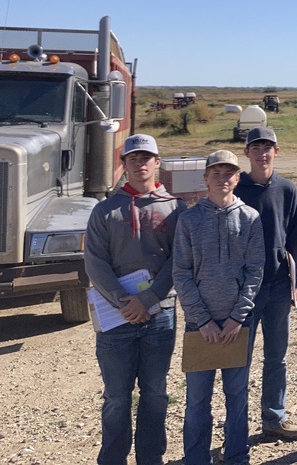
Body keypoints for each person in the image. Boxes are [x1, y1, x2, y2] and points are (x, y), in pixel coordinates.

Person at [84, 133, 184, 465]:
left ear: (157, 162)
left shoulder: (175, 208)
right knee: (116, 397)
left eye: (146, 158)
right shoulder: (104, 211)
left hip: (161, 315)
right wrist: (124, 302)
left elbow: (178, 260)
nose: (140, 164)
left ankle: (151, 457)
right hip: (116, 319)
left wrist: (150, 298)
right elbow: (95, 263)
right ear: (124, 165)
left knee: (155, 393)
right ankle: (113, 458)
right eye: (133, 159)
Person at [173, 149, 266, 465]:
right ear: (205, 179)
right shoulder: (189, 220)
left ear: (238, 178)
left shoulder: (250, 218)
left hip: (236, 327)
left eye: (229, 173)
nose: (223, 178)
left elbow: (256, 270)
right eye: (216, 173)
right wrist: (203, 319)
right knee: (197, 399)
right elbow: (181, 272)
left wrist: (237, 317)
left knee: (237, 396)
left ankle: (237, 455)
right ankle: (196, 457)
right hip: (200, 327)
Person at [234, 126, 297, 441]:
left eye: (268, 148)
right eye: (256, 148)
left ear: (276, 152)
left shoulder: (287, 190)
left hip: (278, 287)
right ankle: (237, 430)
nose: (262, 154)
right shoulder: (236, 189)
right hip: (244, 291)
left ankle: (274, 418)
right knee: (239, 361)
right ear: (247, 153)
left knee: (276, 357)